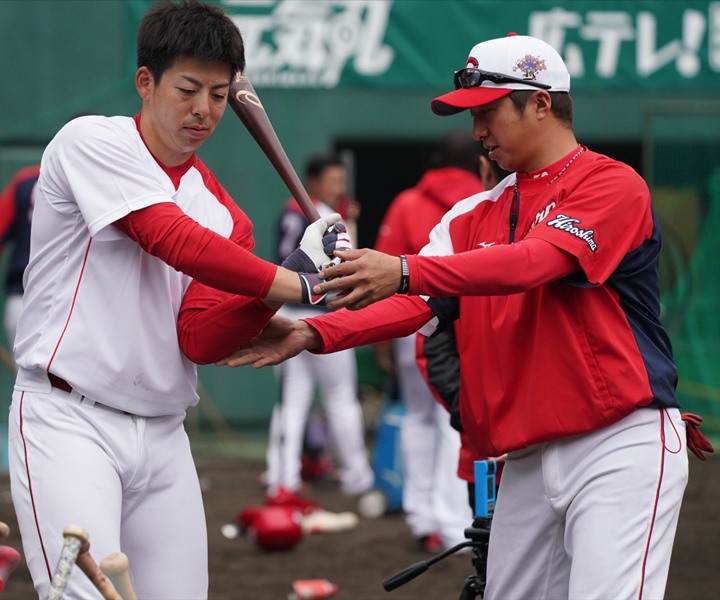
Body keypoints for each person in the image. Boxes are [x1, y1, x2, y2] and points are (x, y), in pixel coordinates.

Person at [220, 33, 714, 600]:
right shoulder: (471, 215)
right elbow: (418, 305)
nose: (478, 132)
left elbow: (535, 263)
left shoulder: (610, 182)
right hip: (524, 454)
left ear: (542, 102)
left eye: (488, 111)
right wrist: (314, 331)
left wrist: (405, 269)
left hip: (617, 441)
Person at [7, 1, 353, 598]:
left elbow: (198, 336)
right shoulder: (92, 140)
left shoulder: (224, 213)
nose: (205, 110)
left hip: (165, 435)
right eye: (188, 89)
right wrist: (296, 279)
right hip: (70, 421)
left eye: (219, 95)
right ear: (146, 82)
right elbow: (169, 238)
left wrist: (265, 299)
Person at [373, 130, 482, 552]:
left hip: (408, 321)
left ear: (436, 160)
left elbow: (382, 270)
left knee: (416, 417)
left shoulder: (408, 201)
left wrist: (382, 339)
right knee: (453, 420)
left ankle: (422, 518)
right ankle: (454, 525)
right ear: (478, 161)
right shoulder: (487, 198)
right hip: (464, 327)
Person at [265, 153, 373, 507]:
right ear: (313, 181)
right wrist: (350, 224)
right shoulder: (324, 216)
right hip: (323, 315)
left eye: (341, 181)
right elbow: (348, 264)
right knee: (340, 399)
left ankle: (283, 478)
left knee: (291, 404)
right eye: (333, 180)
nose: (338, 187)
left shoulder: (288, 210)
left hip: (287, 314)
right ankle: (357, 477)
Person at [416, 145, 512, 512]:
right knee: (491, 560)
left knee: (420, 422)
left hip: (543, 446)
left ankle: (430, 519)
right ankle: (436, 522)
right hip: (486, 442)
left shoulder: (560, 225)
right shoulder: (463, 221)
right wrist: (473, 416)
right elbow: (429, 332)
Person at [0, 164, 39, 351]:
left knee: (28, 380)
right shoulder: (95, 176)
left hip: (22, 300)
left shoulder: (25, 179)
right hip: (76, 303)